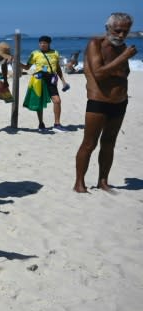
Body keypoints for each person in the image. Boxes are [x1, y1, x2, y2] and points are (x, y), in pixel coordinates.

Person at [74, 13, 137, 193]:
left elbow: (122, 73)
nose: (121, 35)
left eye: (125, 32)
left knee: (109, 142)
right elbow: (99, 73)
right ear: (107, 28)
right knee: (89, 143)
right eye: (117, 31)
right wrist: (124, 57)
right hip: (98, 101)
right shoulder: (96, 44)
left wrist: (123, 58)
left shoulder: (122, 47)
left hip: (120, 102)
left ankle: (103, 180)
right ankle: (79, 182)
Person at [22, 35, 69, 132]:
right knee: (39, 103)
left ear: (49, 44)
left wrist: (63, 81)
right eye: (41, 43)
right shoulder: (34, 54)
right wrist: (17, 63)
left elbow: (58, 68)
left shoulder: (55, 53)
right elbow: (27, 67)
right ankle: (41, 124)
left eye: (44, 43)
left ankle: (57, 124)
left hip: (51, 79)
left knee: (57, 101)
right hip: (39, 80)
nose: (42, 45)